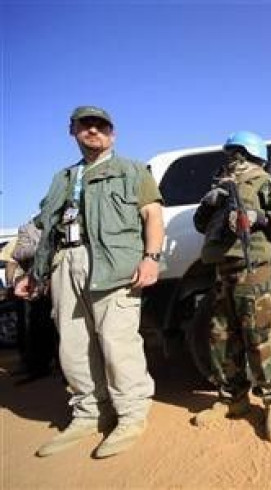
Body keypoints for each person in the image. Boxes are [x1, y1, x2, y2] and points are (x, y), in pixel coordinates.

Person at [15, 106, 164, 458]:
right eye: (86, 125)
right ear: (74, 131)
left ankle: (130, 415)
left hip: (115, 265)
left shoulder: (132, 170)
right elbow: (45, 228)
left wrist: (151, 258)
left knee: (117, 342)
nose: (93, 130)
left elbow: (152, 215)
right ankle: (89, 413)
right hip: (65, 263)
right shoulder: (61, 179)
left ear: (112, 133)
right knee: (73, 343)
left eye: (101, 125)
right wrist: (34, 274)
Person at [192, 131, 271, 441]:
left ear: (251, 154)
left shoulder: (265, 182)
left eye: (237, 152)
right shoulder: (220, 186)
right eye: (230, 153)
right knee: (221, 337)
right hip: (224, 271)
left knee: (261, 339)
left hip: (256, 270)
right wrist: (209, 204)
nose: (232, 159)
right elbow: (201, 225)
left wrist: (259, 216)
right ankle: (233, 399)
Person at [11, 219, 58, 384]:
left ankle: (62, 368)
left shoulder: (61, 223)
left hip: (61, 282)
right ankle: (39, 366)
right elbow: (17, 254)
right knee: (37, 326)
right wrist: (41, 248)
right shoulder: (27, 228)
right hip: (37, 285)